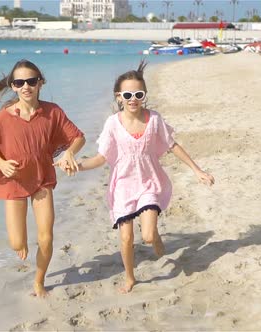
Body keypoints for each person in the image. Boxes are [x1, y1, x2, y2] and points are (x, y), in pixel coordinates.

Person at [75, 60, 214, 293]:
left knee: (148, 236)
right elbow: (101, 158)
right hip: (122, 187)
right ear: (118, 96)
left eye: (138, 94)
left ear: (144, 95)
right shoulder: (112, 124)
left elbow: (172, 145)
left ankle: (155, 235)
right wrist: (77, 167)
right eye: (127, 94)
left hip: (149, 182)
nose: (133, 99)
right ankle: (130, 277)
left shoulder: (155, 119)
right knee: (126, 238)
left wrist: (197, 170)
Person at [0, 59, 85, 297]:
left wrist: (69, 153)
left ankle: (39, 281)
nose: (26, 86)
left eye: (31, 81)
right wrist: (1, 163)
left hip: (42, 179)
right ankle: (20, 245)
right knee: (17, 243)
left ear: (40, 83)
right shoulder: (4, 117)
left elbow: (78, 137)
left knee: (46, 236)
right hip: (14, 183)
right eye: (20, 82)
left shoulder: (53, 111)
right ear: (13, 86)